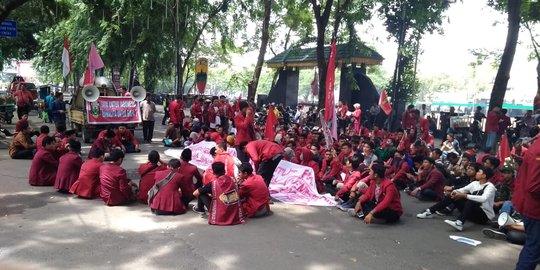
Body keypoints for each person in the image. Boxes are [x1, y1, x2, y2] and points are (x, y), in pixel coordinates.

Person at [416, 167, 496, 231]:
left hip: (483, 216)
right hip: (472, 213)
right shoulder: (475, 183)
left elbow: (483, 199)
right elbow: (463, 189)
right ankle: (429, 212)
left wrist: (464, 195)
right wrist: (454, 192)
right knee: (453, 196)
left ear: (484, 176)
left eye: (479, 172)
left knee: (470, 200)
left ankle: (459, 223)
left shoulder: (490, 187)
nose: (477, 173)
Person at [512, 134, 540, 269]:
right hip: (535, 208)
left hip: (530, 205)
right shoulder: (538, 151)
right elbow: (534, 186)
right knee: (533, 248)